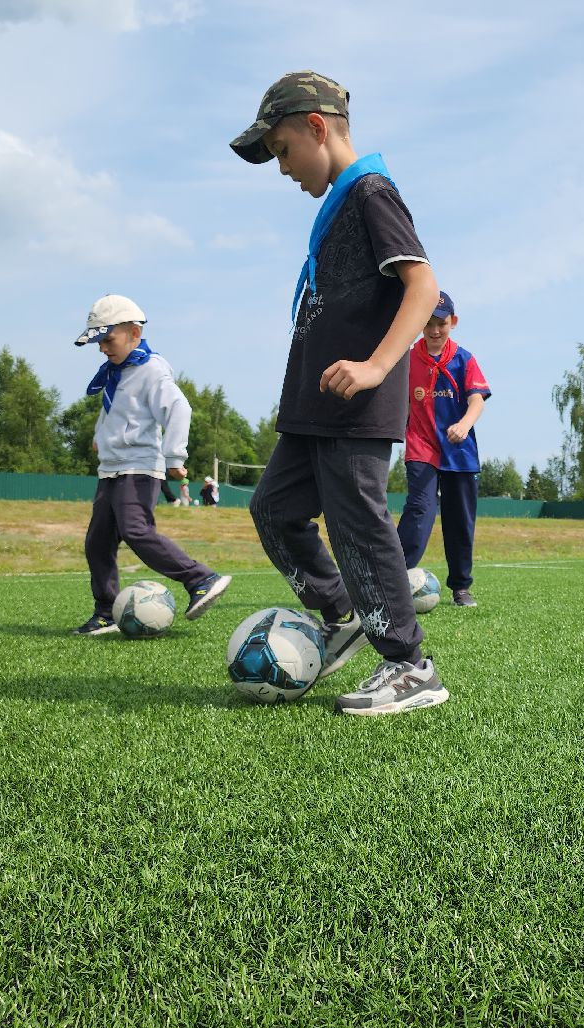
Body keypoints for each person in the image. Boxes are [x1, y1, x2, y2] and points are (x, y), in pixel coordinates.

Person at [231, 70, 449, 715]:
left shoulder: (371, 193)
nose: (283, 170)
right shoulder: (340, 206)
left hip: (355, 404)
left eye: (282, 153)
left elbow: (423, 288)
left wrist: (378, 367)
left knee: (358, 525)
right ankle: (343, 611)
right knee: (273, 510)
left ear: (316, 128)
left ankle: (411, 667)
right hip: (312, 408)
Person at [72, 294, 230, 634]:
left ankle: (201, 578)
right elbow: (114, 410)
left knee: (135, 530)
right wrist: (101, 434)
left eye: (108, 340)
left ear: (134, 333)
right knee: (97, 541)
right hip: (112, 469)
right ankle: (106, 611)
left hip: (140, 467)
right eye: (98, 342)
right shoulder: (116, 373)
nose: (102, 348)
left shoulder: (151, 369)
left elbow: (178, 409)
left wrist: (175, 456)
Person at [396, 290, 491, 607]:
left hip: (460, 454)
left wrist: (464, 424)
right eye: (428, 324)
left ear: (454, 322)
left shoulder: (464, 359)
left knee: (459, 521)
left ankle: (461, 587)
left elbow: (477, 400)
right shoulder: (407, 359)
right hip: (422, 448)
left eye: (442, 323)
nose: (435, 331)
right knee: (420, 511)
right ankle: (392, 580)